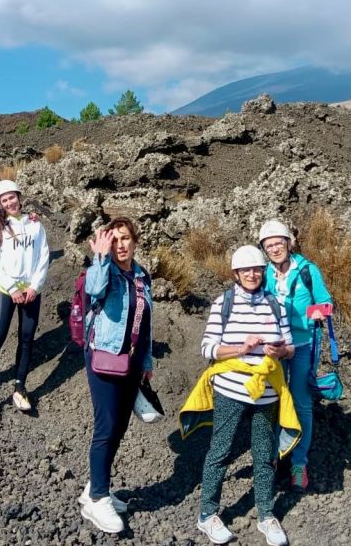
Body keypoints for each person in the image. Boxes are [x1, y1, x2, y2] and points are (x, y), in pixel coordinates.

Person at [179, 245, 300, 546]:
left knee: (263, 456)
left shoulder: (276, 305)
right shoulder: (224, 303)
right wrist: (240, 349)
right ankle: (208, 515)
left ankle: (266, 516)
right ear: (235, 273)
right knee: (220, 451)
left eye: (257, 269)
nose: (252, 274)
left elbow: (291, 347)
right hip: (230, 389)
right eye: (246, 270)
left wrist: (280, 350)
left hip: (267, 392)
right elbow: (207, 348)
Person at [78, 217, 153, 535]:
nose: (121, 244)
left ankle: (97, 485)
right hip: (103, 357)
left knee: (120, 427)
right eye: (116, 239)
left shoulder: (141, 274)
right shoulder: (105, 269)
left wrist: (146, 361)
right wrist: (100, 256)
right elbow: (93, 290)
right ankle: (96, 499)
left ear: (135, 241)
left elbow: (145, 320)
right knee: (106, 427)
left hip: (132, 361)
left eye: (126, 238)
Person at [259, 219, 333, 493]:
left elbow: (326, 305)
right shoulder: (263, 273)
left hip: (303, 346)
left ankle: (298, 463)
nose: (275, 248)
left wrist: (303, 318)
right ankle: (273, 456)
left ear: (289, 243)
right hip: (273, 348)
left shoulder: (307, 271)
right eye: (269, 245)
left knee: (301, 402)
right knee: (271, 401)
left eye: (279, 243)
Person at [0, 180, 50, 419]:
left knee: (27, 338)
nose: (9, 202)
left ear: (19, 196)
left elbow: (43, 257)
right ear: (0, 204)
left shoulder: (35, 225)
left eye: (12, 197)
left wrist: (34, 286)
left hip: (31, 292)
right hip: (6, 290)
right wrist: (12, 287)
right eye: (4, 200)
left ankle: (20, 387)